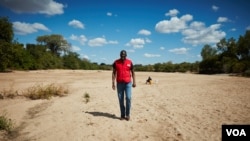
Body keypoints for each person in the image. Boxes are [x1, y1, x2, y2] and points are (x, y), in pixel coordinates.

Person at [112, 50, 136, 121]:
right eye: (121, 55)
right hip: (119, 83)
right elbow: (113, 73)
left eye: (124, 55)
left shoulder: (130, 62)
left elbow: (133, 72)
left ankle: (127, 114)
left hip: (128, 83)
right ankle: (122, 115)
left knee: (128, 98)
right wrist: (113, 83)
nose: (123, 56)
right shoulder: (116, 62)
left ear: (126, 55)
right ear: (120, 55)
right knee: (121, 100)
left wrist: (134, 82)